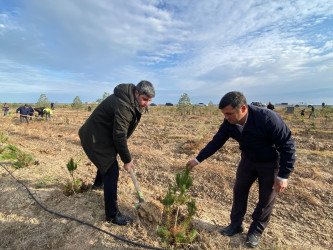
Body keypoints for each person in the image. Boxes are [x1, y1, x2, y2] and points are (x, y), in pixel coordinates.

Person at [187, 91, 295, 248]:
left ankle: (255, 232)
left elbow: (288, 146)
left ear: (243, 108)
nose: (226, 117)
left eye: (229, 113)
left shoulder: (267, 119)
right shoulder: (229, 123)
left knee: (265, 200)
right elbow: (216, 142)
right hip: (248, 161)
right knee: (239, 191)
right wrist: (197, 160)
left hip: (270, 163)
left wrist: (284, 175)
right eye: (224, 114)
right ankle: (235, 225)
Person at [78, 80, 155, 226]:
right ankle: (113, 215)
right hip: (94, 138)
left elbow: (120, 133)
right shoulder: (124, 105)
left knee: (107, 160)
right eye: (145, 99)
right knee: (112, 170)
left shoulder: (130, 100)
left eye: (149, 101)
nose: (146, 104)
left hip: (101, 135)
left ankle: (97, 185)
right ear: (136, 92)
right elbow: (119, 135)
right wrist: (127, 160)